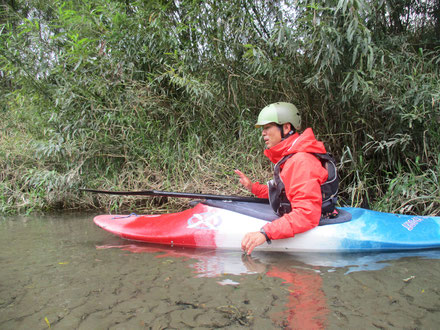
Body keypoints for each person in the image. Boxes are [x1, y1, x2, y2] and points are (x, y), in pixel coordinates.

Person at [235, 102, 330, 255]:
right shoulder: (292, 158)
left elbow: (306, 214)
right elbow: (285, 192)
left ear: (286, 128)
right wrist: (253, 187)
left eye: (267, 127)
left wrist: (265, 233)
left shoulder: (301, 161)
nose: (263, 133)